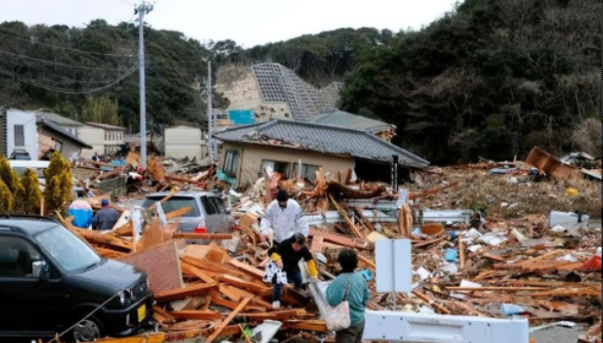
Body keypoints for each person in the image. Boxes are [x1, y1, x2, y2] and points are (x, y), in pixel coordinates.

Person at [263, 233, 318, 309]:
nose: (297, 248)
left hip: (293, 268)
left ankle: (296, 298)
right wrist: (277, 259)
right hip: (282, 267)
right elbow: (271, 251)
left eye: (299, 246)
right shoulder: (285, 244)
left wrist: (314, 273)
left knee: (299, 281)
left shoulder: (303, 249)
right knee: (279, 284)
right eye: (296, 245)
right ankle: (276, 301)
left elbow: (309, 260)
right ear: (292, 242)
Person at [326, 249, 369, 343]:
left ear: (341, 263)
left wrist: (329, 289)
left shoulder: (340, 280)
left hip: (347, 323)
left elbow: (332, 301)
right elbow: (366, 297)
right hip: (360, 320)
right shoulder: (360, 277)